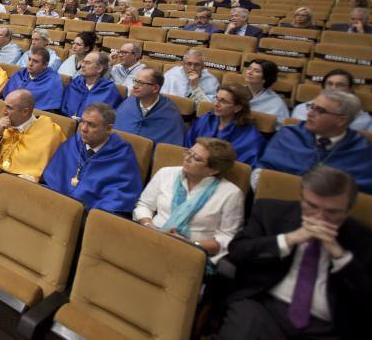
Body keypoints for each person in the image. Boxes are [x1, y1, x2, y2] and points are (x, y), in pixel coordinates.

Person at [219, 166, 372, 340]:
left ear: (348, 210)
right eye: (312, 206)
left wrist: (339, 255)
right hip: (264, 305)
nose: (320, 217)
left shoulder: (363, 238)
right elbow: (238, 251)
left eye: (332, 212)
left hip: (329, 325)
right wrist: (289, 239)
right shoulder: (270, 211)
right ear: (302, 197)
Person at [134, 137, 244, 263]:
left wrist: (192, 245)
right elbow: (144, 205)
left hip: (193, 254)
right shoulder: (165, 174)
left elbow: (227, 237)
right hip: (151, 237)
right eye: (188, 152)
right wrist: (150, 227)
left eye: (196, 158)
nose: (187, 158)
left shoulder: (231, 194)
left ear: (213, 170)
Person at [257, 89, 372, 193]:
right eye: (311, 107)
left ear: (341, 120)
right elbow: (260, 173)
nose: (309, 113)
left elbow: (363, 199)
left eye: (320, 110)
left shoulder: (362, 151)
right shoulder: (288, 135)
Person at [43, 103, 141, 214]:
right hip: (55, 206)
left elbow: (118, 197)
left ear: (108, 129)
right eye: (83, 122)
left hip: (89, 218)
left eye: (91, 125)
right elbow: (53, 178)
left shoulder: (121, 154)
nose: (83, 129)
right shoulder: (74, 142)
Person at [0, 89, 65, 182]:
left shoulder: (50, 131)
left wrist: (33, 179)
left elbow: (57, 170)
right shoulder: (5, 122)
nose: (4, 111)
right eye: (4, 106)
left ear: (25, 112)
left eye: (9, 108)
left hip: (22, 183)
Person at [185, 84, 267, 167]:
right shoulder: (206, 119)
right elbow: (187, 146)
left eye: (223, 101)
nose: (216, 104)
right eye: (216, 98)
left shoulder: (250, 138)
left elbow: (243, 170)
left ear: (237, 108)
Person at [115, 67, 185, 145]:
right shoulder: (129, 103)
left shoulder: (171, 113)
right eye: (135, 81)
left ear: (155, 88)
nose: (134, 86)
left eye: (141, 83)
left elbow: (169, 149)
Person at [291, 69, 372, 132]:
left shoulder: (364, 119)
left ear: (350, 89)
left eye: (340, 85)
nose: (333, 88)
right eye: (329, 84)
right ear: (323, 87)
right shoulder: (302, 109)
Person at [61, 51, 123, 120]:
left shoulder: (110, 91)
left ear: (99, 69)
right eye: (83, 62)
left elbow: (108, 119)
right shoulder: (75, 83)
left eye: (87, 63)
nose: (82, 65)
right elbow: (63, 108)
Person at [3, 48, 64, 112]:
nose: (30, 64)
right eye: (29, 59)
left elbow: (49, 110)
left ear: (45, 65)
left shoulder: (53, 81)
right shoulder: (20, 73)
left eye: (35, 61)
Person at [245, 59, 289, 126]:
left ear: (265, 78)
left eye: (256, 71)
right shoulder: (235, 91)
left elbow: (282, 127)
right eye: (249, 68)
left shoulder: (276, 103)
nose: (250, 72)